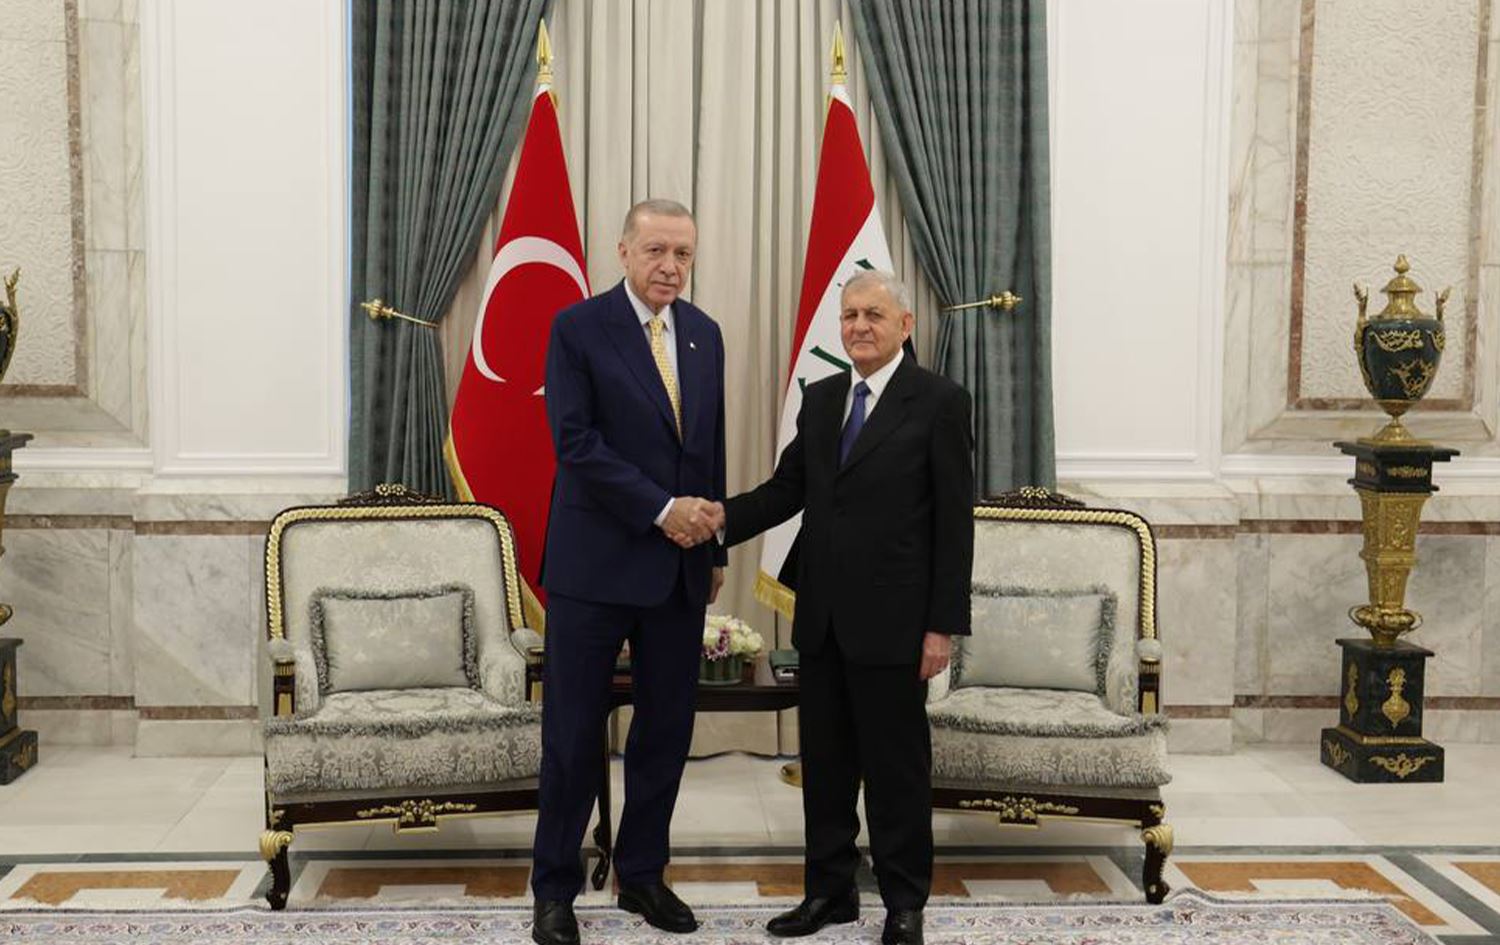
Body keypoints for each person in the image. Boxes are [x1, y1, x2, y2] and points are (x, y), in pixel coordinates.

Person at [711, 270, 973, 945]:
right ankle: (829, 893)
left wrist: (942, 626)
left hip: (897, 625)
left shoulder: (939, 402)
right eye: (850, 314)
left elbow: (954, 526)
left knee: (895, 772)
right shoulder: (824, 398)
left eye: (873, 315)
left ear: (905, 325)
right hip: (822, 621)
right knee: (825, 770)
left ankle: (904, 902)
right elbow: (786, 489)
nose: (859, 326)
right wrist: (717, 521)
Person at [531, 199, 726, 945]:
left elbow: (706, 448)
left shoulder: (704, 334)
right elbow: (575, 443)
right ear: (622, 251)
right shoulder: (578, 327)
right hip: (593, 567)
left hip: (678, 571)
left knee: (664, 733)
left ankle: (642, 875)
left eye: (683, 254)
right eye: (656, 251)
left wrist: (713, 548)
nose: (670, 267)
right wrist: (662, 509)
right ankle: (554, 890)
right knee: (573, 736)